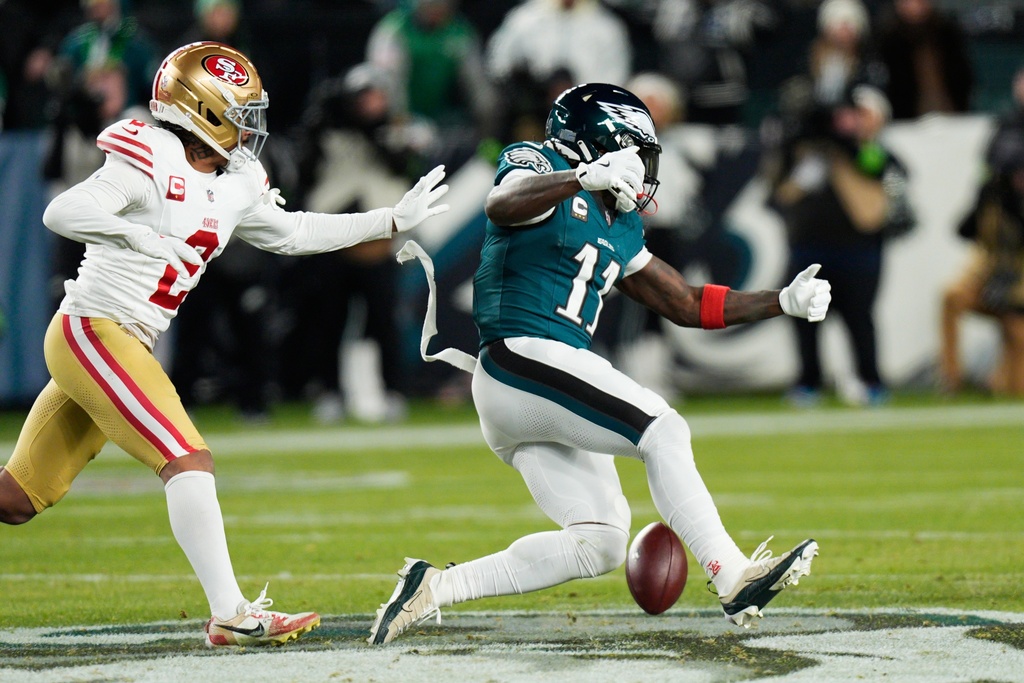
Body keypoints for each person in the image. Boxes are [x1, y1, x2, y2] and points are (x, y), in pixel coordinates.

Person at [0, 41, 449, 647]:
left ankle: (230, 613)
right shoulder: (150, 156)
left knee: (16, 499)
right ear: (202, 109)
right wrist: (131, 236)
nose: (249, 127)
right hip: (93, 330)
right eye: (239, 113)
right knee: (187, 459)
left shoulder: (234, 181)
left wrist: (389, 219)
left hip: (126, 341)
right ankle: (231, 614)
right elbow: (63, 211)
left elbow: (294, 232)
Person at [367, 83, 830, 645]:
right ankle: (732, 575)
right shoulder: (538, 160)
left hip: (535, 383)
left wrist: (780, 301)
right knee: (662, 429)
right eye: (636, 152)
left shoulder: (620, 220)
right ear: (599, 144)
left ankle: (435, 587)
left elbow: (683, 301)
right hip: (521, 353)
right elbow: (502, 203)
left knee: (601, 541)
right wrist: (580, 178)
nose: (645, 170)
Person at [766, 84, 913, 407]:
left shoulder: (873, 151)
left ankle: (870, 380)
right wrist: (801, 135)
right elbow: (774, 191)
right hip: (808, 245)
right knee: (803, 316)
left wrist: (844, 142)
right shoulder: (804, 150)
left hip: (858, 248)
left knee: (859, 316)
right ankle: (809, 382)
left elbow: (882, 170)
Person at [940, 102, 1024, 396]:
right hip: (993, 279)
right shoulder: (995, 199)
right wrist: (982, 196)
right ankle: (951, 379)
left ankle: (999, 380)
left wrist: (1013, 297)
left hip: (1019, 294)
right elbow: (964, 231)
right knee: (951, 297)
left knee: (1014, 388)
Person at [876, 0, 973, 120]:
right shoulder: (888, 41)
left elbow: (963, 76)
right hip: (906, 119)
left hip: (952, 113)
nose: (914, 6)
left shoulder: (947, 34)